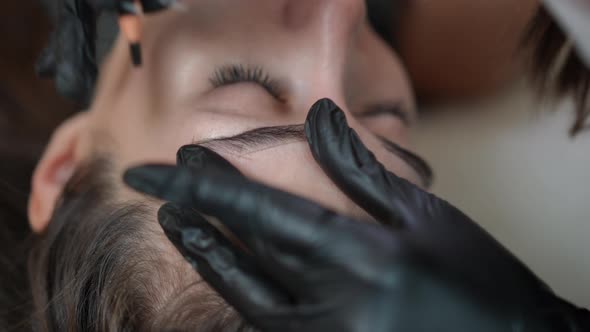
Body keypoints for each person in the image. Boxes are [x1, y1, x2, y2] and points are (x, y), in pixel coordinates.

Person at [0, 1, 587, 332]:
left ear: (66, 166)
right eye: (382, 114)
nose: (342, 14)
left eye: (244, 82)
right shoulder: (474, 39)